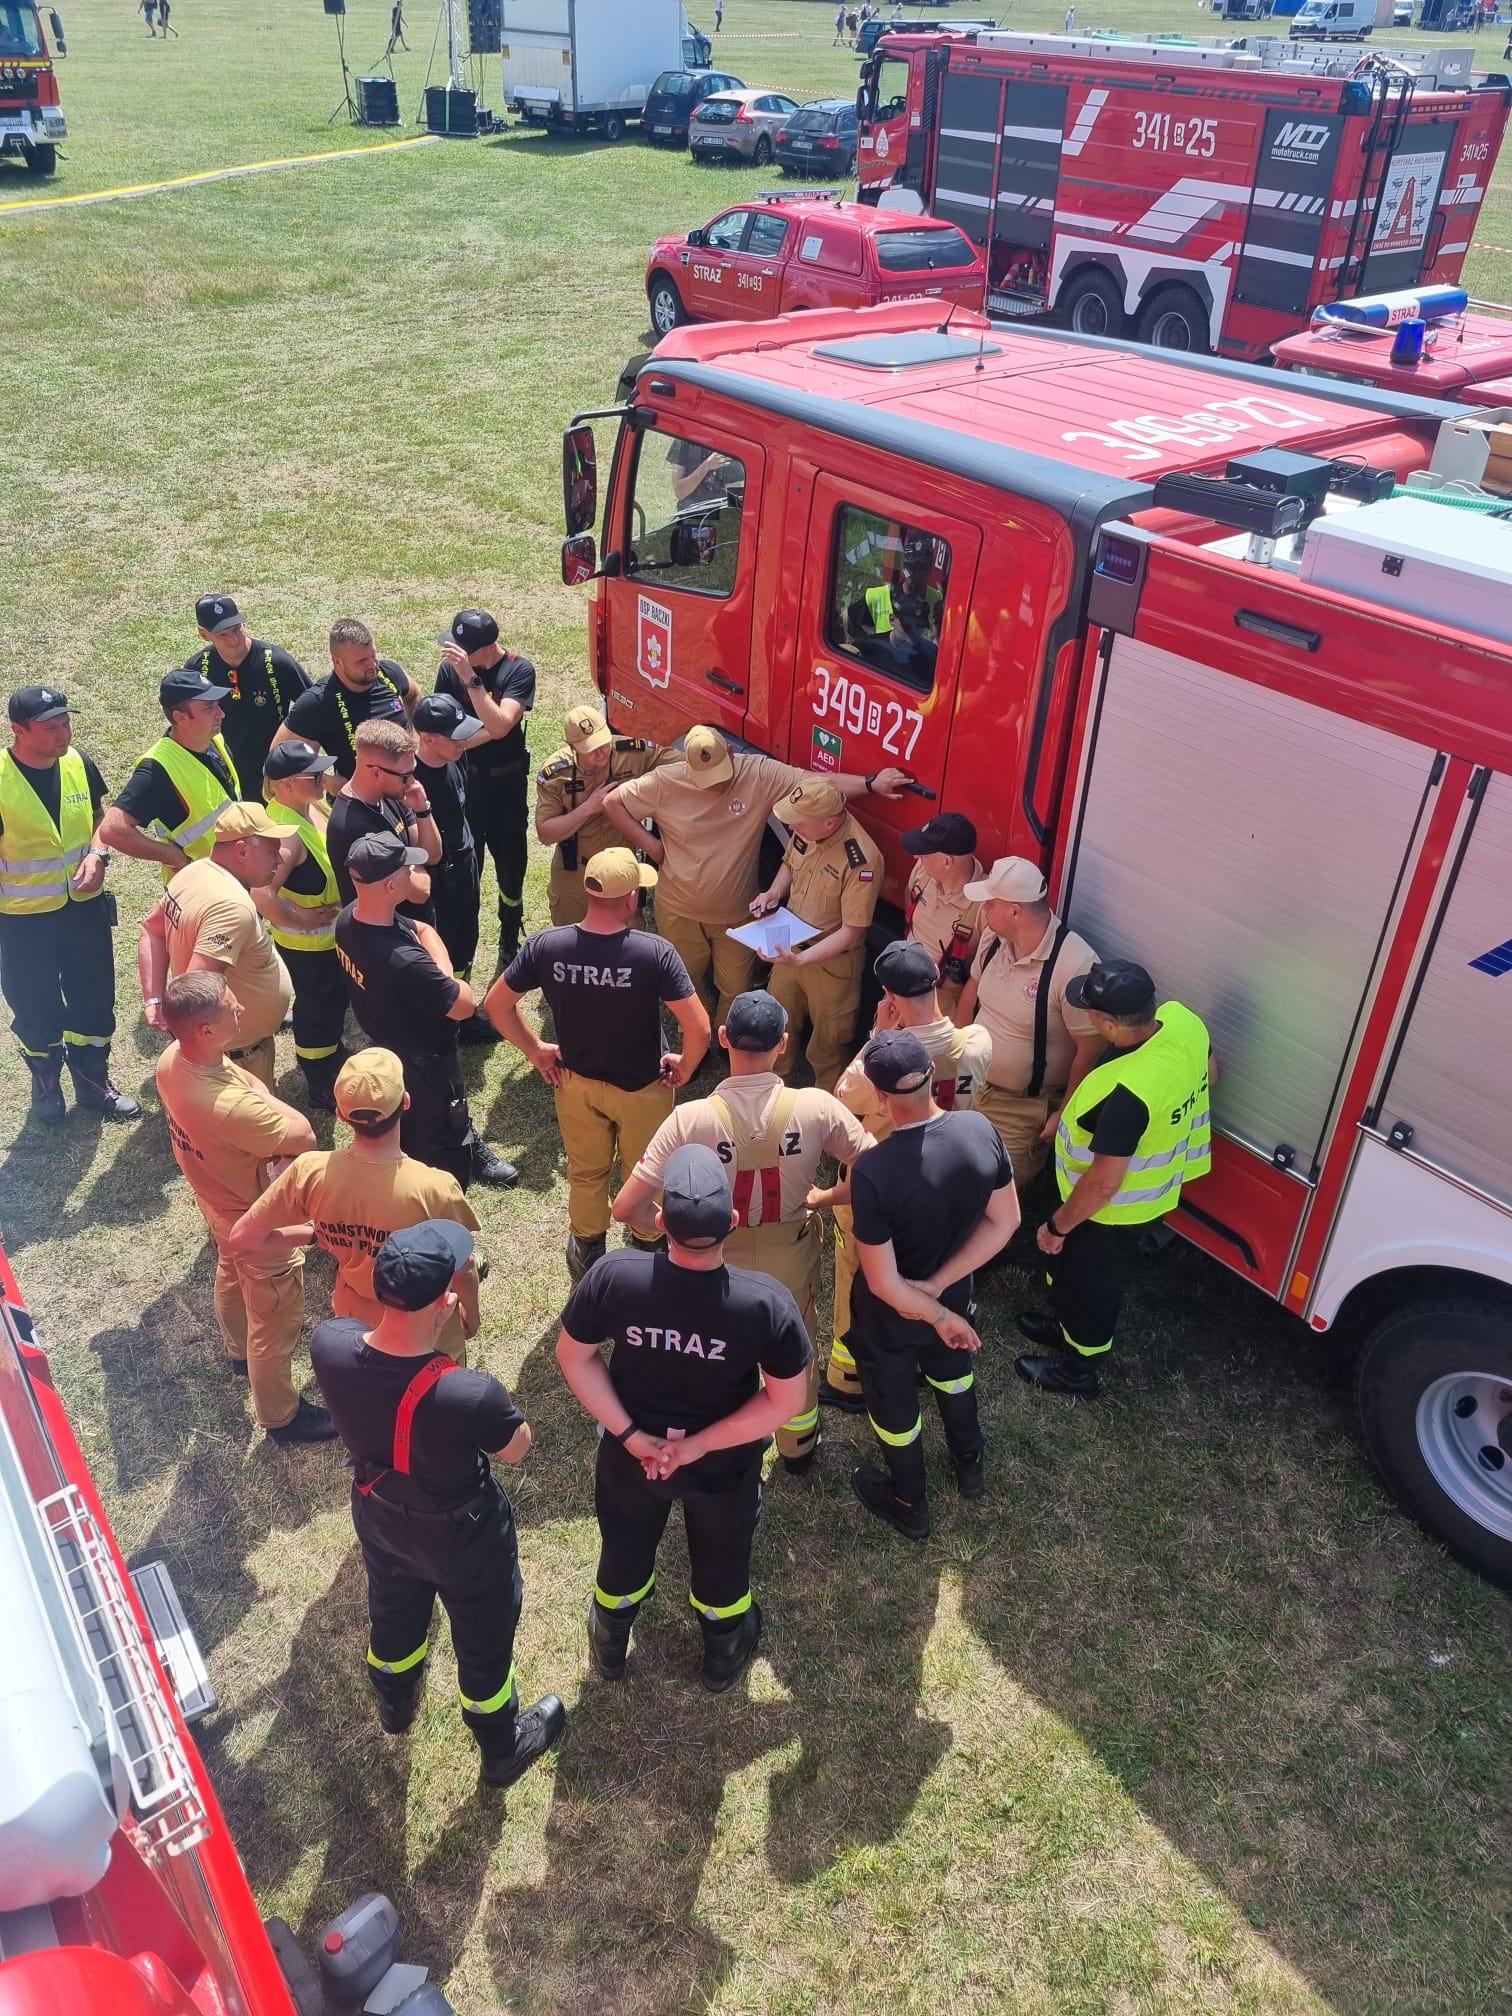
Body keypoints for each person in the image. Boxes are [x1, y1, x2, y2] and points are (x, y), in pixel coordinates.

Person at [312, 1221, 565, 1789]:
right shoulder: (468, 1393)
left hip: (380, 1520)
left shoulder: (329, 1344)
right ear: (445, 1302)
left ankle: (395, 1704)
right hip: (465, 1542)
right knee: (483, 1639)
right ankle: (501, 1748)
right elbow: (517, 1449)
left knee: (393, 1610)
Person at [556, 1145, 811, 1693]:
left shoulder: (613, 1276)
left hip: (631, 1460)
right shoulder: (766, 1304)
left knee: (624, 1545)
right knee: (723, 1556)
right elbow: (787, 1401)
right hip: (723, 1465)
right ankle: (724, 1654)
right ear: (733, 1220)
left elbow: (574, 1357)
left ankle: (610, 1646)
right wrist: (699, 1446)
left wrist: (631, 1436)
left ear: (660, 1221)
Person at [612, 989, 870, 1475]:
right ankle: (798, 1446)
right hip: (790, 1257)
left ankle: (718, 1440)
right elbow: (879, 1169)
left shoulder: (690, 1119)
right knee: (795, 1352)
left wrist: (672, 1230)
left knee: (717, 1354)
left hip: (714, 1266)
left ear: (724, 1038)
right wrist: (828, 1198)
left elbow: (626, 1208)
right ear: (784, 1044)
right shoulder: (816, 1106)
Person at [485, 847, 708, 1281]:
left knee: (587, 1174)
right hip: (642, 1089)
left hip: (576, 1083)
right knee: (646, 1171)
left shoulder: (547, 945)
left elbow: (497, 1005)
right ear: (631, 899)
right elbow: (698, 1028)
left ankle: (588, 1258)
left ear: (589, 894)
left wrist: (536, 1049)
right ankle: (647, 1249)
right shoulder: (654, 953)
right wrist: (686, 1065)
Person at [602, 724, 908, 1031]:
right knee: (685, 980)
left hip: (736, 916)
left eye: (721, 775)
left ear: (731, 753)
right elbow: (612, 802)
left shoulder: (758, 774)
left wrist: (870, 784)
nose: (716, 786)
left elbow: (816, 784)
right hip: (679, 910)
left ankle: (728, 1039)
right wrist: (653, 847)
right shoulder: (664, 780)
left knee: (736, 987)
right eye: (706, 779)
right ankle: (695, 1033)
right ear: (687, 767)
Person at [843, 1029, 1018, 1538]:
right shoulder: (979, 1128)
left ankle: (908, 1500)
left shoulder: (873, 1172)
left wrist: (933, 1312)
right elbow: (1005, 1220)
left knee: (893, 1398)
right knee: (953, 1373)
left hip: (892, 1317)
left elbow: (884, 1283)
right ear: (932, 1076)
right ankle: (969, 1462)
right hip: (956, 1293)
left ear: (879, 1097)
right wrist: (943, 1290)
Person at [1016, 962, 1212, 1399]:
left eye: (1089, 1011)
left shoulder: (1130, 1094)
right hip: (1131, 1200)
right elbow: (1212, 1074)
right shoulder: (1183, 1022)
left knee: (1092, 1288)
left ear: (1108, 1024)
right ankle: (1065, 1328)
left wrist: (1057, 1226)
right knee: (1076, 1276)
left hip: (1111, 1213)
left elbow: (1104, 1184)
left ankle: (1078, 1370)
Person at [155, 970, 332, 1445]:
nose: (241, 1010)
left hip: (215, 1199)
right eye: (231, 1007)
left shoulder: (172, 1060)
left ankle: (237, 1352)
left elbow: (248, 1087)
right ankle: (281, 1416)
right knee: (274, 1320)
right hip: (254, 1215)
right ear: (205, 1030)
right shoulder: (232, 1108)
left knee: (230, 1271)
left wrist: (258, 1096)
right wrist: (266, 1101)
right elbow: (303, 1135)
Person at [822, 939, 991, 1412]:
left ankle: (848, 1376)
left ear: (889, 997)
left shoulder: (876, 1065)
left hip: (884, 1187)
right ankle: (932, 1348)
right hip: (947, 1184)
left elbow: (843, 1099)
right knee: (934, 1269)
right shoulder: (978, 1043)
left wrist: (878, 1035)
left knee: (857, 1275)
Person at [230, 1046, 483, 1359]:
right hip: (425, 1327)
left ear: (340, 1114)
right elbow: (462, 1269)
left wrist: (314, 1235)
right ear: (405, 1102)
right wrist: (471, 1315)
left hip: (355, 1319)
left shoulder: (309, 1171)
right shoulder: (436, 1188)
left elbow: (242, 1238)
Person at [334, 832, 516, 1190]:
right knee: (440, 1139)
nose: (414, 872)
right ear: (390, 886)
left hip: (389, 1048)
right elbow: (464, 1004)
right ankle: (442, 1188)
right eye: (407, 869)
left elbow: (421, 927)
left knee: (406, 1125)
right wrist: (444, 973)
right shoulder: (405, 962)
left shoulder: (349, 919)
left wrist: (430, 946)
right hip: (427, 1062)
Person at [0, 686, 139, 1125]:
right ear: (19, 730)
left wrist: (98, 854)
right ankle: (46, 1087)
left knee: (95, 1000)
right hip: (23, 922)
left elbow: (100, 820)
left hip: (83, 910)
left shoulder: (79, 762)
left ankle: (93, 1084)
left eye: (66, 723)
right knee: (35, 1008)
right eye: (51, 727)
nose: (64, 734)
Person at [952, 855, 1101, 1189]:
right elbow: (972, 989)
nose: (983, 910)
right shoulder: (994, 938)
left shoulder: (1074, 964)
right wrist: (955, 1054)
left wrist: (1064, 1111)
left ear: (1015, 912)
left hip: (1021, 1109)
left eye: (990, 903)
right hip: (972, 1083)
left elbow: (1091, 1049)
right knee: (950, 1169)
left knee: (989, 1193)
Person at [139, 801, 294, 1091]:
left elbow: (152, 930)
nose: (279, 860)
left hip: (228, 1051)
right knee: (251, 1120)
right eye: (272, 851)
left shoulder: (194, 872)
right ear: (243, 851)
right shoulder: (231, 907)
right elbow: (199, 991)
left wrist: (154, 1000)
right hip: (237, 1060)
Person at [749, 775, 884, 1092]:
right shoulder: (807, 828)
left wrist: (801, 960)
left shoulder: (861, 859)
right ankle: (774, 1093)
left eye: (799, 823)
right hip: (790, 948)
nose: (792, 827)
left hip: (830, 965)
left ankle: (825, 1106)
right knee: (778, 1024)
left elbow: (852, 932)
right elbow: (790, 863)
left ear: (829, 823)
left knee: (828, 1046)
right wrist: (773, 893)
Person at [434, 610, 537, 967]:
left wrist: (472, 681)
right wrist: (475, 738)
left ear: (487, 647)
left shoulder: (518, 671)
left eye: (463, 650)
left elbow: (502, 724)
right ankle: (463, 948)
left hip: (506, 790)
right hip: (466, 787)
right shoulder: (450, 669)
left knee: (511, 870)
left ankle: (509, 932)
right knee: (465, 873)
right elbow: (445, 726)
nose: (453, 653)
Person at [534, 706, 673, 928]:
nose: (602, 753)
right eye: (591, 750)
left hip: (621, 869)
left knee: (627, 937)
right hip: (575, 870)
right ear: (572, 748)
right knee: (572, 936)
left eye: (604, 743)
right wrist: (588, 808)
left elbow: (682, 763)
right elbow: (545, 833)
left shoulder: (632, 752)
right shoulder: (556, 774)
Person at [262, 740, 346, 1108]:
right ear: (285, 784)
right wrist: (299, 917)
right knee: (316, 1009)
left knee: (333, 1002)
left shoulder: (311, 807)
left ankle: (333, 1052)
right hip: (308, 946)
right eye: (313, 776)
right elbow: (261, 894)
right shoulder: (284, 833)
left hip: (328, 940)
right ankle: (319, 1080)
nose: (322, 778)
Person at [97, 667, 239, 882]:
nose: (221, 713)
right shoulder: (157, 769)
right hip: (198, 887)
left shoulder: (215, 740)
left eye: (217, 704)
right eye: (209, 708)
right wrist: (172, 856)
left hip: (230, 877)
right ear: (180, 717)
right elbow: (113, 829)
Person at [186, 594, 309, 790]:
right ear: (204, 634)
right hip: (224, 773)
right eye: (222, 635)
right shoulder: (198, 670)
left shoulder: (276, 662)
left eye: (237, 628)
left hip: (273, 772)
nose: (233, 639)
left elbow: (312, 710)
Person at [273, 617, 418, 781]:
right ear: (337, 662)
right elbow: (280, 758)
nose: (372, 665)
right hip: (360, 795)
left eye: (373, 655)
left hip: (409, 787)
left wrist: (415, 741)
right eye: (362, 661)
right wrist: (330, 783)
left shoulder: (388, 674)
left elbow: (414, 695)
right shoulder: (318, 702)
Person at [326, 718, 441, 915]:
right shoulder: (355, 828)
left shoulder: (391, 794)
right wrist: (416, 861)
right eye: (405, 776)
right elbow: (420, 891)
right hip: (389, 931)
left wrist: (423, 810)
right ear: (376, 773)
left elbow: (432, 855)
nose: (413, 782)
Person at [901, 812, 984, 1019]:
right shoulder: (923, 870)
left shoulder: (984, 907)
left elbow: (978, 980)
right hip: (901, 984)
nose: (917, 857)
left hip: (940, 1009)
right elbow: (908, 896)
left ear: (947, 862)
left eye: (925, 853)